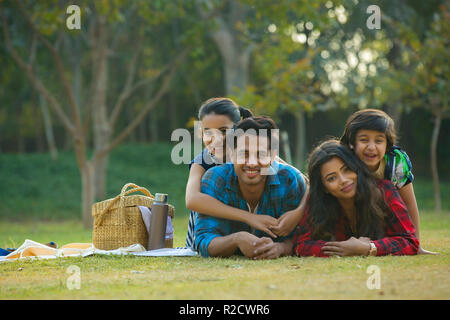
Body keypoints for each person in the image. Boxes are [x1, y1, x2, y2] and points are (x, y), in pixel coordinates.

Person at [195, 116, 307, 258]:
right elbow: (203, 241)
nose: (252, 163)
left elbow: (304, 235)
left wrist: (281, 248)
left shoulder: (289, 180)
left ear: (272, 156)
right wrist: (237, 239)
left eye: (260, 154)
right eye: (244, 153)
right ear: (231, 153)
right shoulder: (216, 179)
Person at [293, 139, 419, 257]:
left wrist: (368, 248)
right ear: (324, 187)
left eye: (347, 170)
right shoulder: (318, 202)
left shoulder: (383, 191)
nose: (343, 180)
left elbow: (409, 241)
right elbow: (301, 245)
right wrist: (343, 248)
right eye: (331, 178)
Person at [340, 108, 435, 254]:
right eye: (364, 140)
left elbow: (408, 203)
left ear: (387, 144)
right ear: (352, 143)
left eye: (378, 141)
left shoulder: (395, 163)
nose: (371, 147)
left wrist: (417, 244)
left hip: (385, 217)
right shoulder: (343, 161)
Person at [185, 98, 276, 249]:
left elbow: (301, 180)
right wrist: (249, 218)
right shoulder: (202, 161)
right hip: (209, 236)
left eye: (223, 131)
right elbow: (192, 200)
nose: (216, 139)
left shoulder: (257, 155)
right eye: (208, 132)